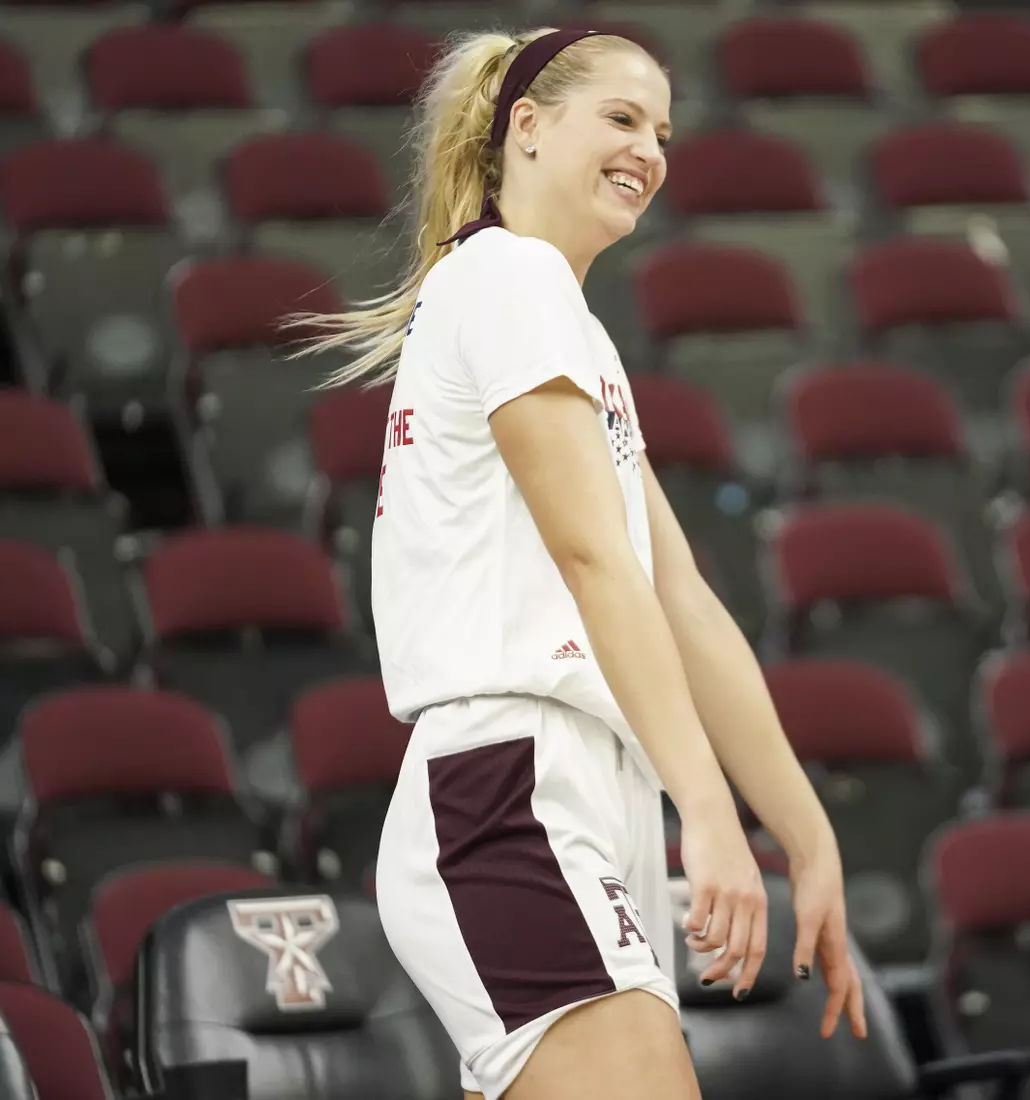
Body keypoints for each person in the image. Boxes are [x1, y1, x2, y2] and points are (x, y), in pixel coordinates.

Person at [293, 27, 867, 1100]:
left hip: (585, 788)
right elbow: (596, 560)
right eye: (622, 117)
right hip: (512, 785)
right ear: (528, 126)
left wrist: (806, 832)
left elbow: (676, 593)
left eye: (662, 130)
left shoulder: (566, 322)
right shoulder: (508, 275)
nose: (651, 149)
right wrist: (709, 807)